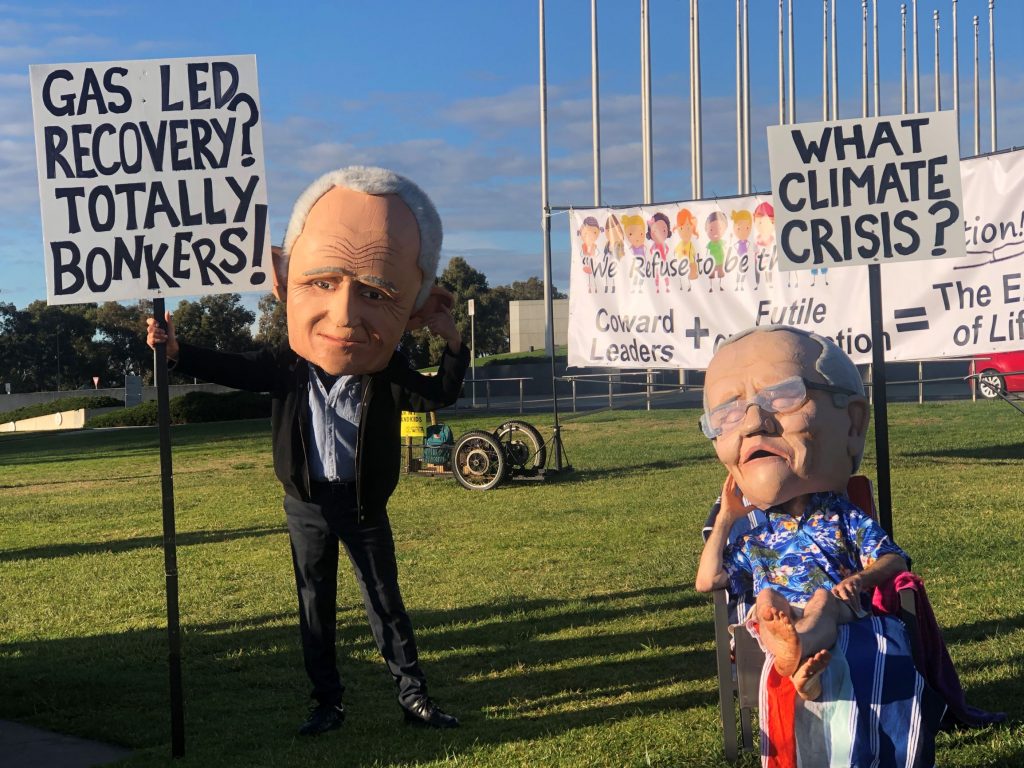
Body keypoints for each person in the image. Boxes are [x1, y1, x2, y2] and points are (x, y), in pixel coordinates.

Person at [146, 166, 469, 735]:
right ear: (287, 282)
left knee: (383, 601)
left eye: (374, 293)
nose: (344, 316)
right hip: (308, 503)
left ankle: (412, 694)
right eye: (322, 283)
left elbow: (440, 391)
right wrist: (177, 351)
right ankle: (327, 701)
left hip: (363, 502)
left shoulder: (385, 367)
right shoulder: (288, 369)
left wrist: (454, 345)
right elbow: (234, 369)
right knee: (314, 605)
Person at [694, 325, 909, 701]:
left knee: (823, 601)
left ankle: (797, 650)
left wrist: (860, 580)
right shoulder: (752, 534)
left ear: (853, 424)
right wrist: (726, 517)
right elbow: (707, 581)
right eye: (726, 413)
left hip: (835, 610)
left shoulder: (841, 515)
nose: (752, 422)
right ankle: (797, 665)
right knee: (765, 604)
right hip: (770, 623)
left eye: (781, 396)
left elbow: (895, 559)